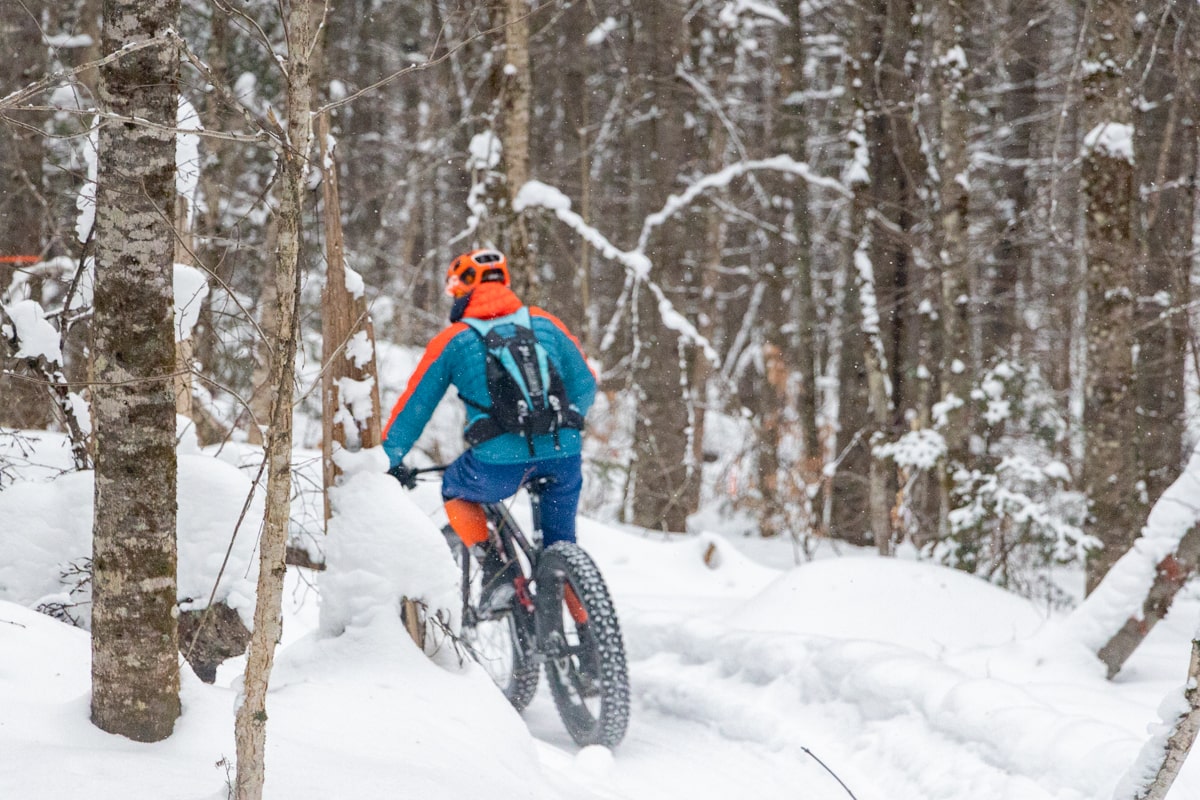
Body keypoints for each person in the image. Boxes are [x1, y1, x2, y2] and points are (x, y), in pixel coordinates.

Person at [383, 248, 596, 597]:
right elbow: (585, 384)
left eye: (454, 287)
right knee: (562, 546)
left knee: (454, 486)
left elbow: (414, 408)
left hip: (496, 465)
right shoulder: (544, 323)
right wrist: (565, 427)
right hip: (563, 456)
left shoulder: (454, 339)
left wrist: (388, 461)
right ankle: (585, 626)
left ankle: (497, 572)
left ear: (467, 287)